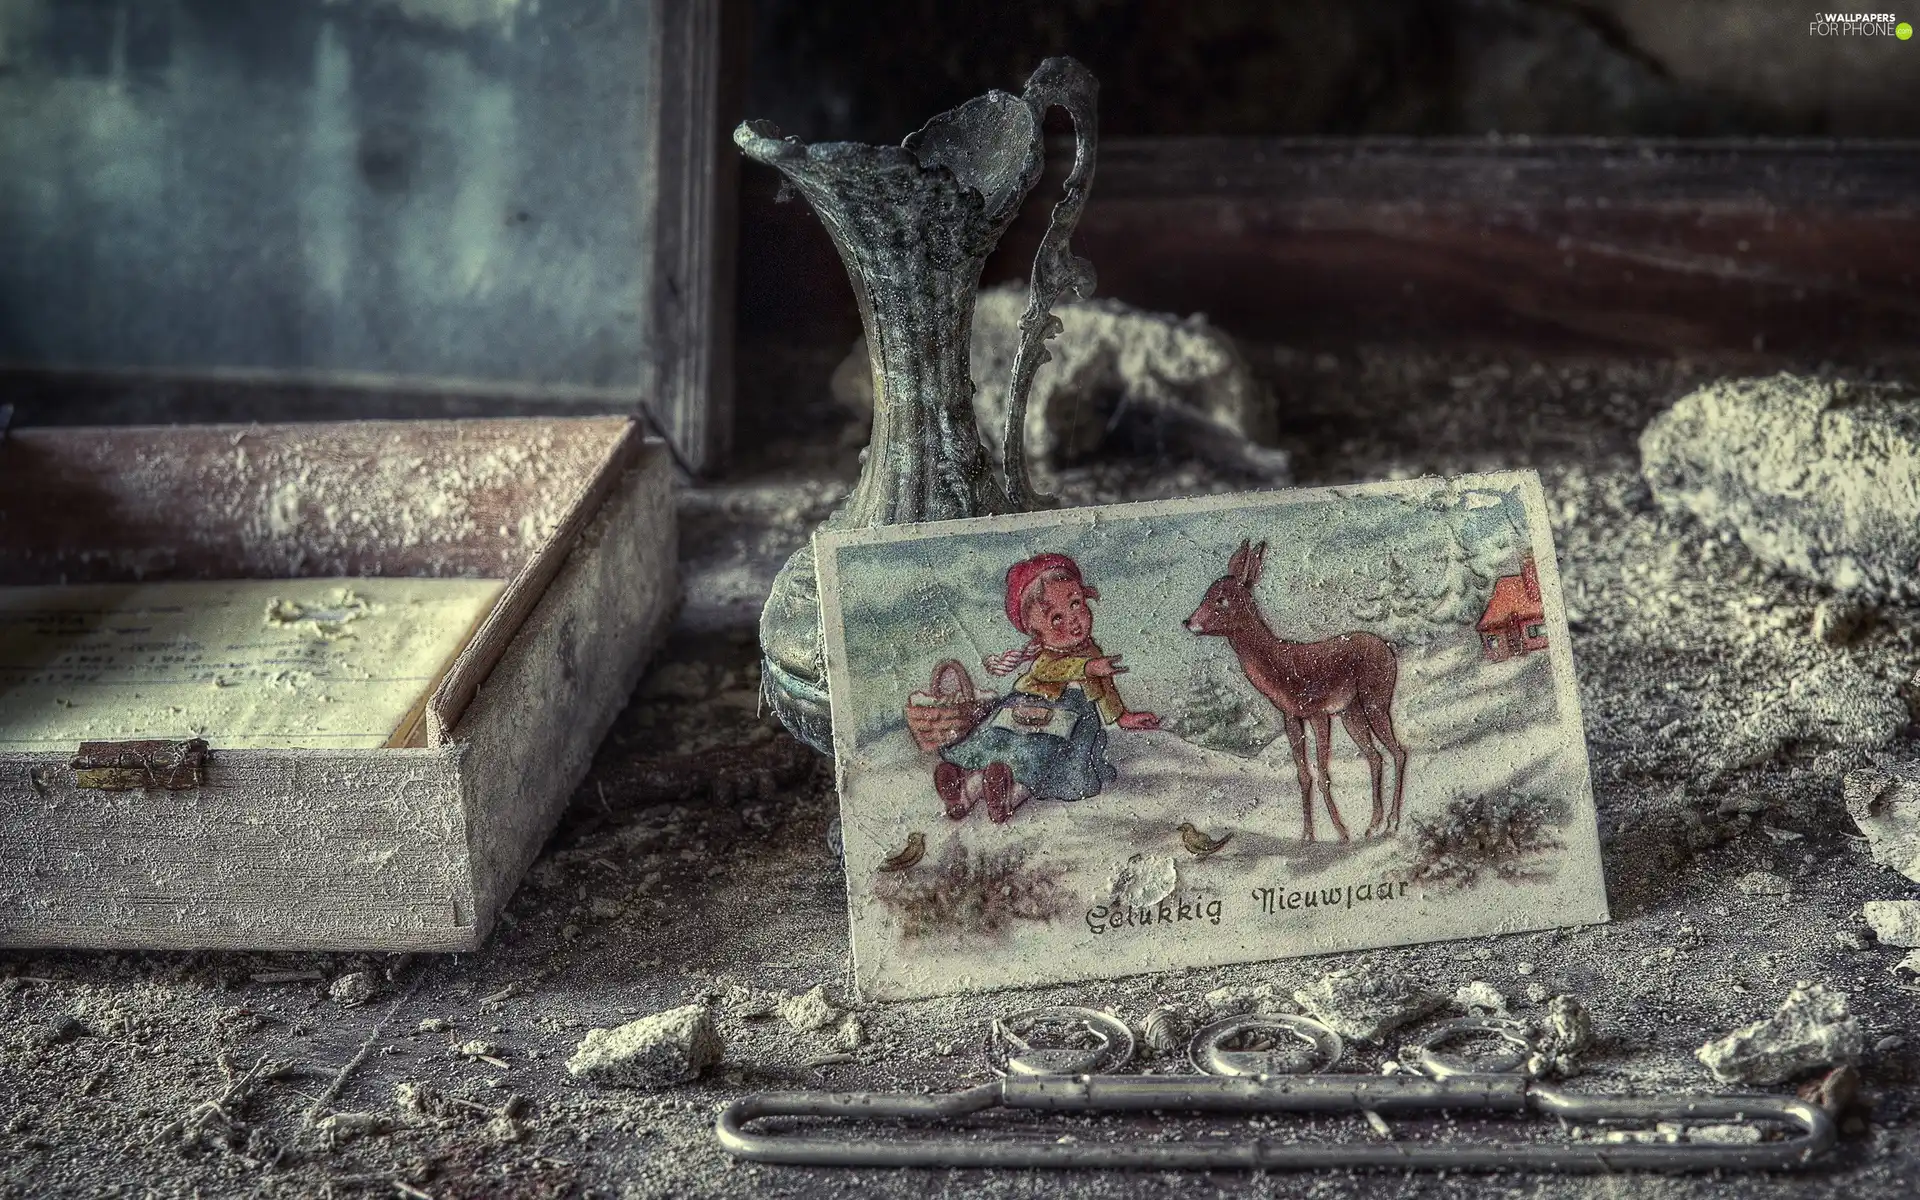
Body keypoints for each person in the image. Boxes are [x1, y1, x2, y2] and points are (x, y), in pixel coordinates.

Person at [936, 552, 1160, 823]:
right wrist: (1087, 668)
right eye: (1056, 618)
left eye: (1076, 604)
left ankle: (1004, 796)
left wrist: (1123, 716)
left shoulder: (1092, 651)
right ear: (1035, 630)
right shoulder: (1048, 654)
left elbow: (1105, 690)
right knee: (1001, 740)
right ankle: (967, 790)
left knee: (1043, 755)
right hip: (1027, 703)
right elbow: (1048, 670)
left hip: (1071, 718)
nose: (1073, 619)